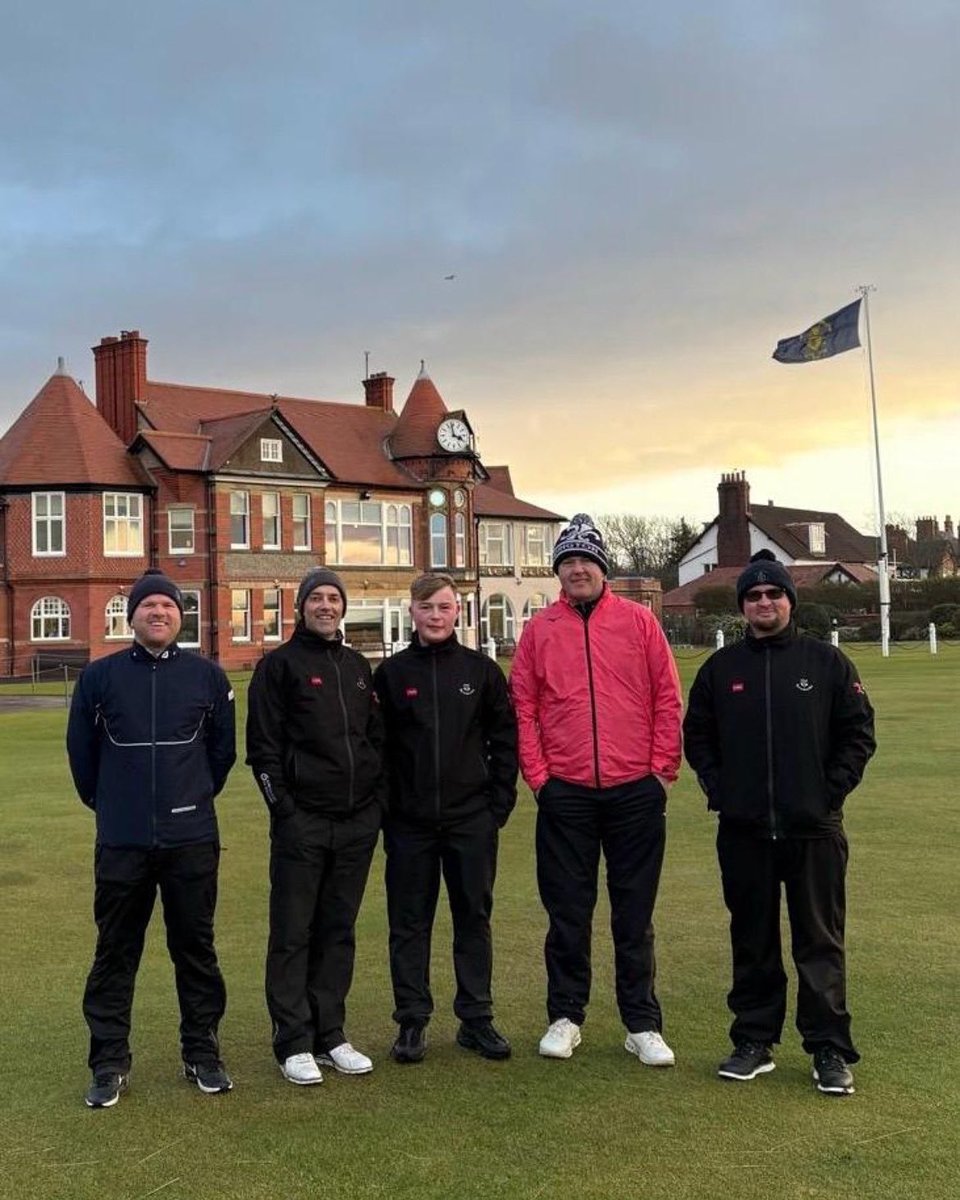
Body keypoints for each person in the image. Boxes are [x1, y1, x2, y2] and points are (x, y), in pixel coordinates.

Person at [683, 550, 876, 1096]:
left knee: (819, 942)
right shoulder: (722, 671)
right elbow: (697, 737)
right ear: (744, 605)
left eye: (773, 594)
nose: (764, 602)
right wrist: (723, 792)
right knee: (753, 940)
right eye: (754, 595)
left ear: (790, 600)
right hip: (744, 832)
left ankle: (829, 1050)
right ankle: (753, 1041)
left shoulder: (827, 664)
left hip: (813, 831)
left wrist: (826, 792)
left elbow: (858, 734)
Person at [510, 515, 682, 1066]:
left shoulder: (639, 622)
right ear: (558, 570)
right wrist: (539, 779)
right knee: (568, 912)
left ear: (601, 568)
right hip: (566, 793)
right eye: (568, 561)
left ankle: (642, 1023)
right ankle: (565, 1015)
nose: (577, 568)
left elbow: (666, 698)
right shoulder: (539, 630)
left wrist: (660, 774)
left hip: (635, 789)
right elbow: (525, 709)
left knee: (634, 914)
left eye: (586, 560)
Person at [67, 568, 236, 1108]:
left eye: (167, 606)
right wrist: (116, 805)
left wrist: (188, 798)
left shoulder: (207, 677)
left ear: (179, 616)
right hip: (122, 840)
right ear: (131, 615)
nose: (157, 613)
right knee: (115, 951)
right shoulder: (99, 677)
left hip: (190, 837)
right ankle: (109, 1061)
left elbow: (221, 756)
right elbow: (83, 760)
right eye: (147, 606)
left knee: (195, 949)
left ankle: (201, 1052)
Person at [246, 568, 385, 1085]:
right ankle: (293, 1040)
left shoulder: (355, 666)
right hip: (301, 824)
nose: (325, 605)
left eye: (333, 598)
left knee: (337, 930)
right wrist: (283, 809)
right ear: (301, 607)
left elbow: (375, 741)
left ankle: (331, 1034)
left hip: (355, 824)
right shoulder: (278, 667)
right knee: (292, 932)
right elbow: (261, 750)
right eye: (316, 598)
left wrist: (374, 805)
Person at [372, 573, 518, 1064]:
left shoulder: (481, 672)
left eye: (445, 607)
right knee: (409, 923)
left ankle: (476, 1019)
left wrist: (496, 804)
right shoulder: (391, 675)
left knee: (472, 918)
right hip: (409, 825)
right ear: (411, 612)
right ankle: (411, 1021)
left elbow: (504, 741)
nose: (436, 616)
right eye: (427, 607)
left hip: (470, 820)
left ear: (459, 612)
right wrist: (390, 811)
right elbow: (379, 749)